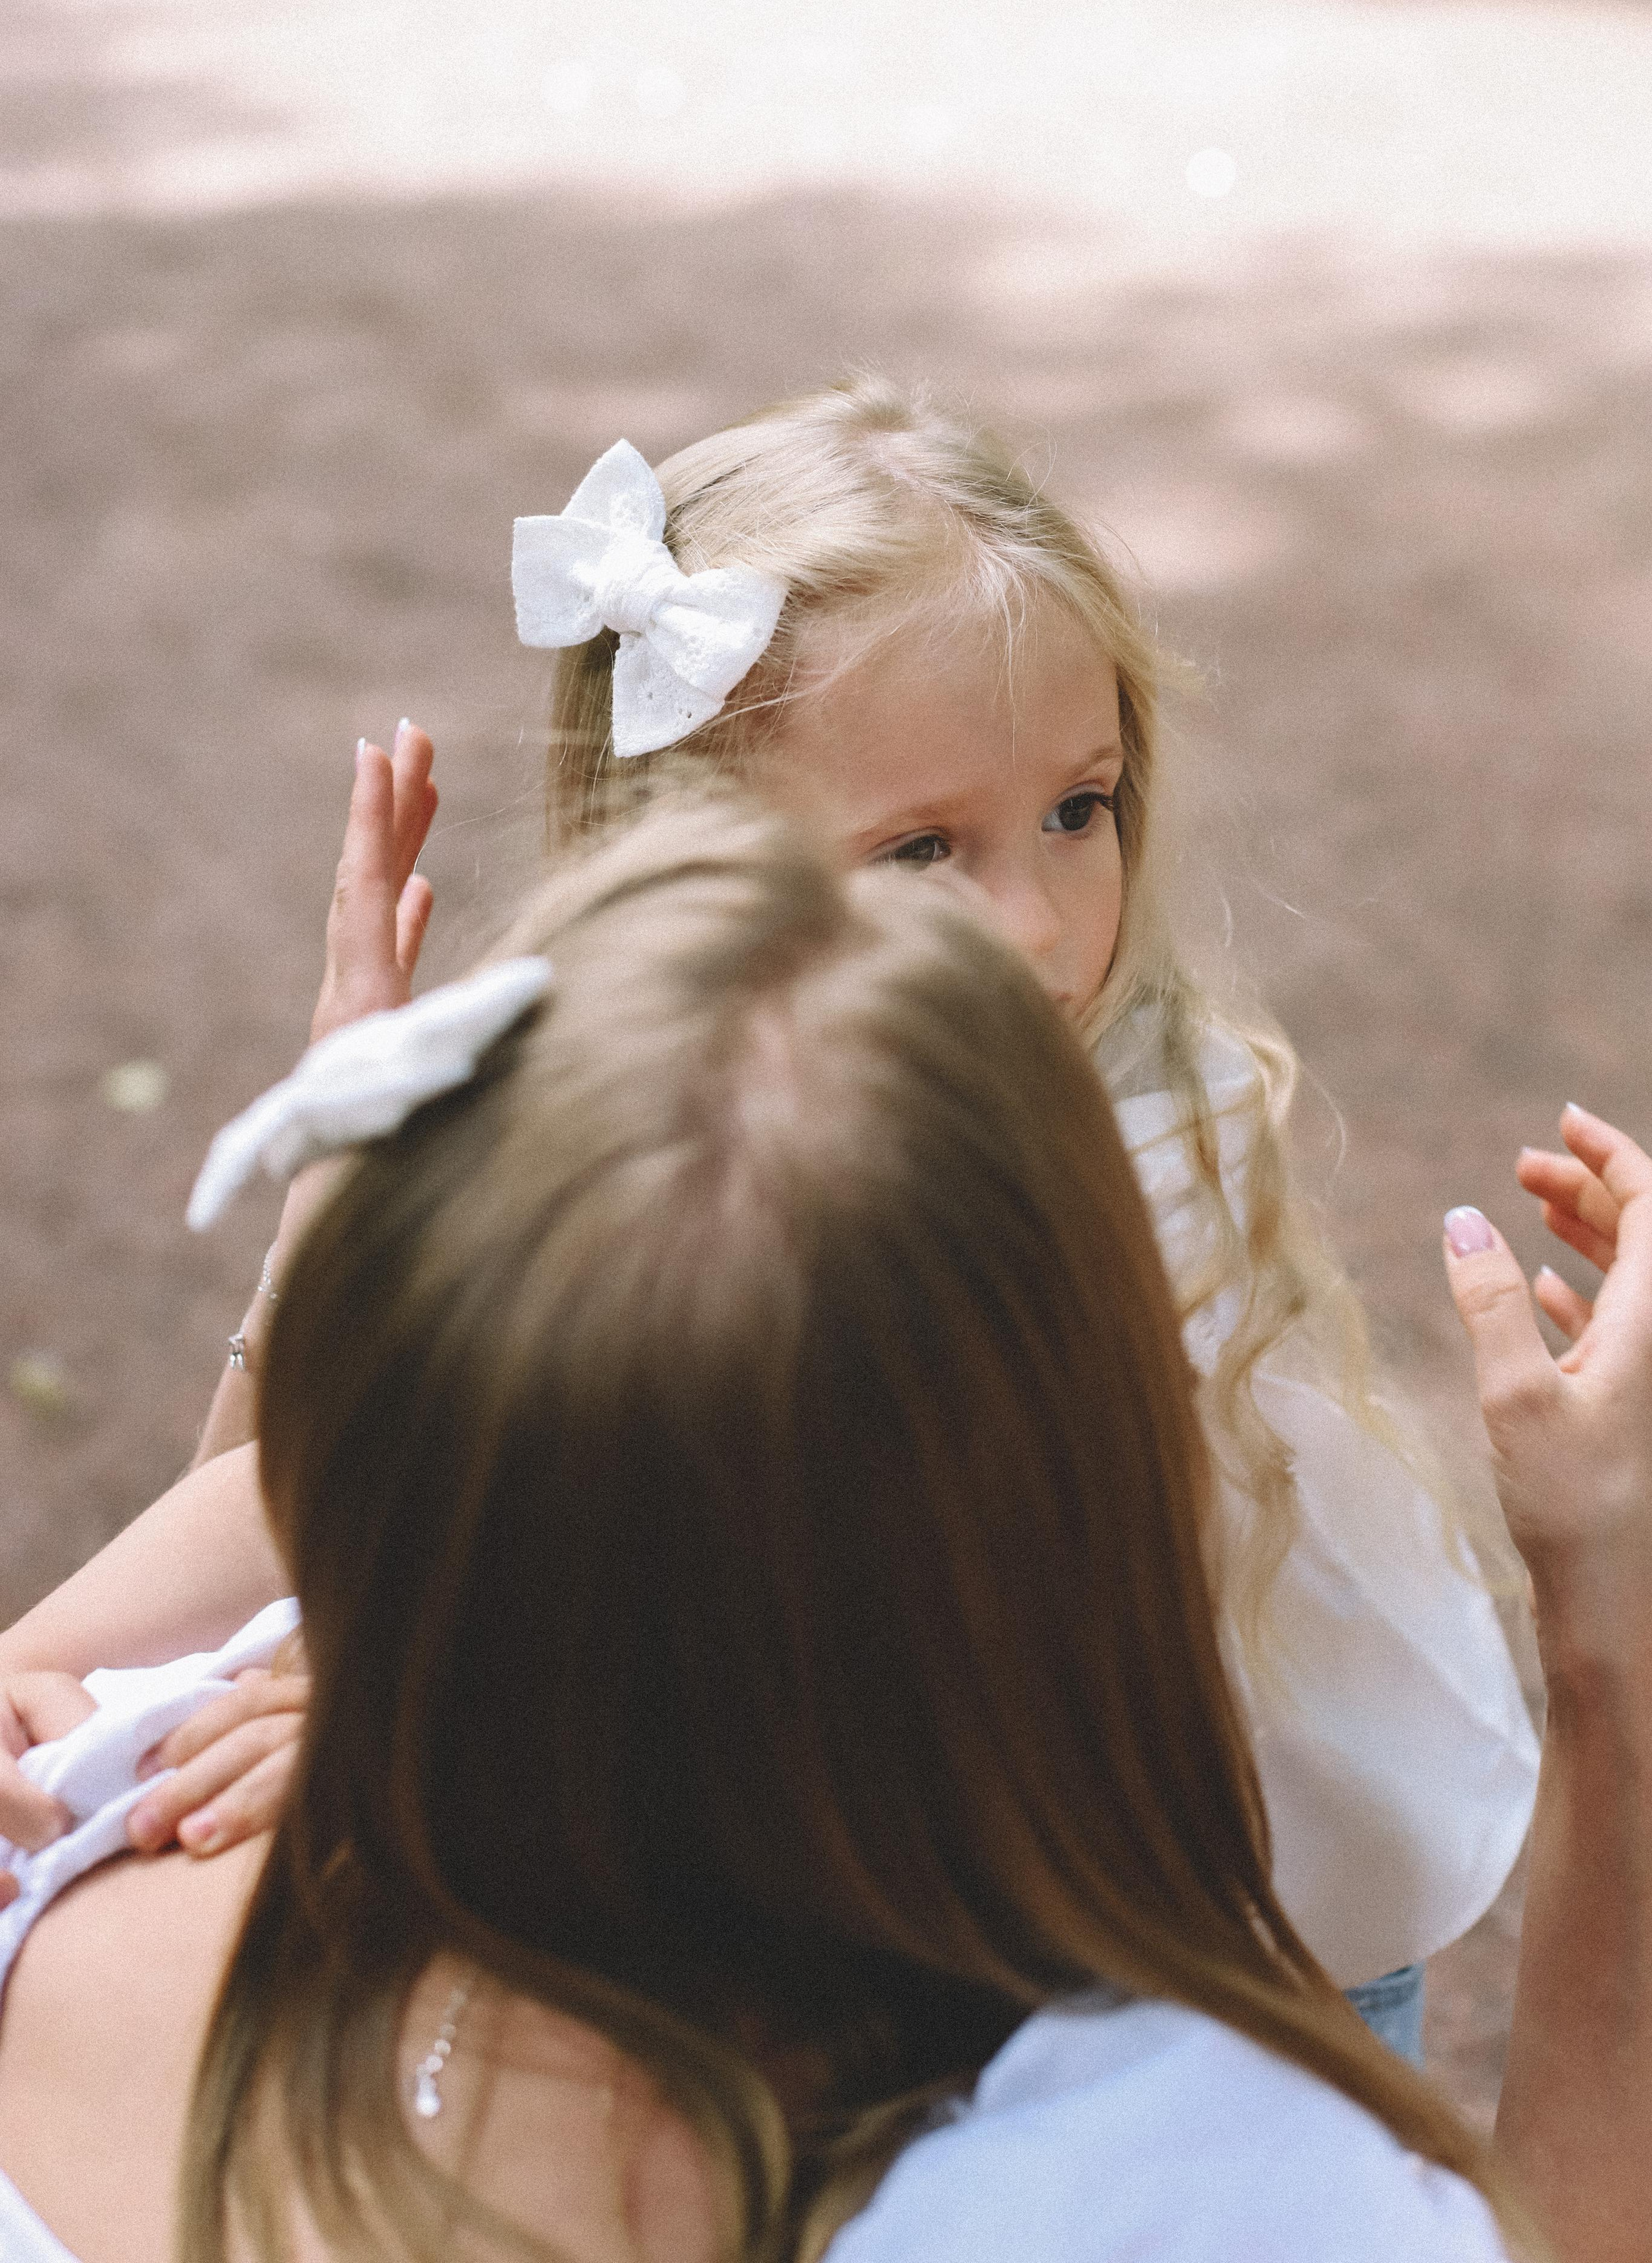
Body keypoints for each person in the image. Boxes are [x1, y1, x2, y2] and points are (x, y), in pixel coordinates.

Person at [0, 382, 1539, 2067]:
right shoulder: (641, 1119)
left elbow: (845, 1662)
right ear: (695, 875)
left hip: (1208, 1963)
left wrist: (427, 1722)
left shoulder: (1109, 1175)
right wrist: (335, 1224)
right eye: (921, 850)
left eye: (1078, 811)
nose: (1035, 926)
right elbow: (319, 1481)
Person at [0, 795, 1536, 2262]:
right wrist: (1607, 1644)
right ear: (1070, 1492)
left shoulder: (104, 1801)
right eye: (918, 846)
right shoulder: (1155, 2174)